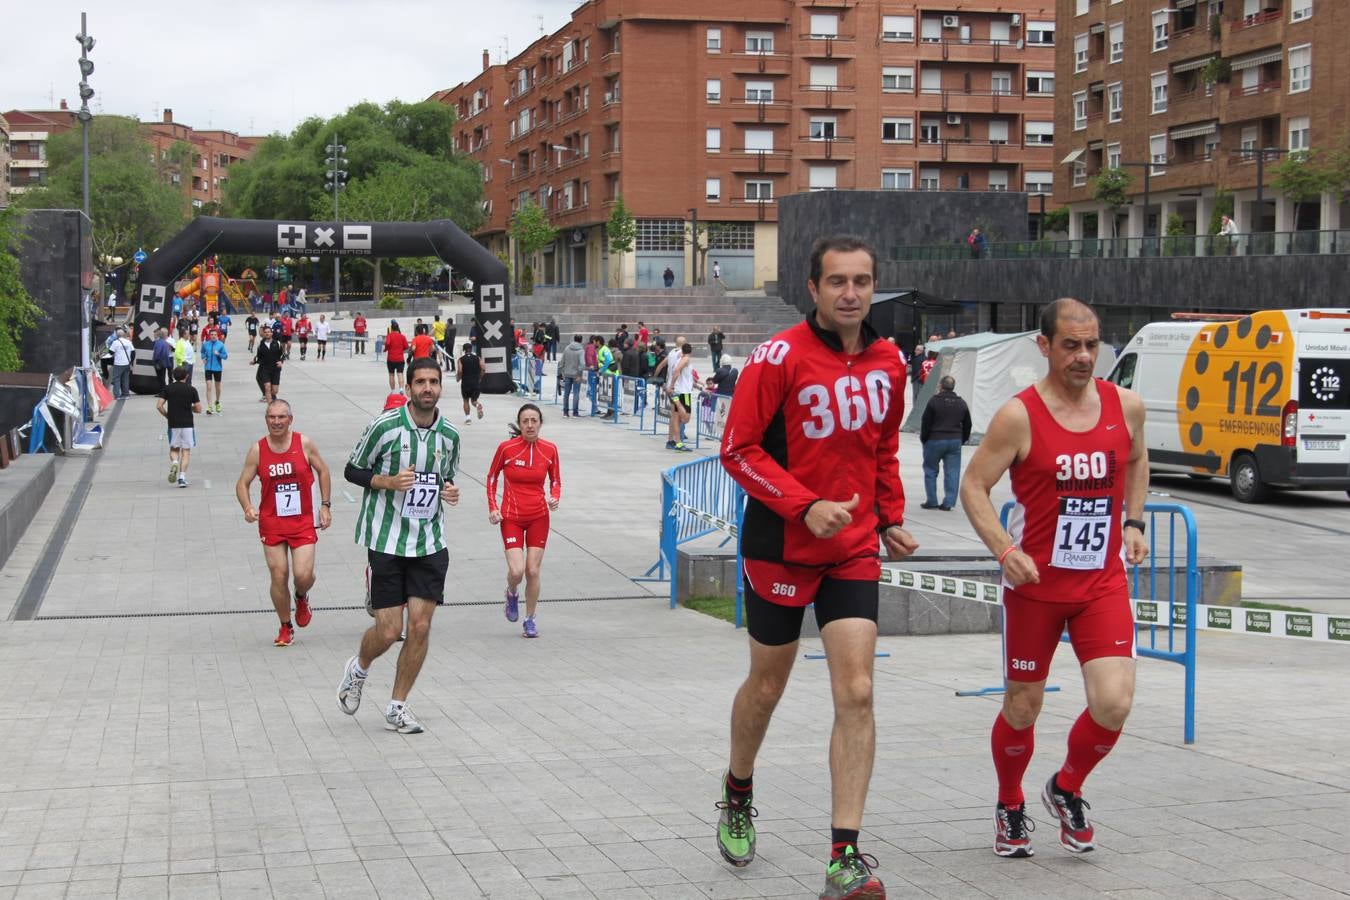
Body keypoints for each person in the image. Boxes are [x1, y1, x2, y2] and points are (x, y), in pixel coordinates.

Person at [714, 235, 917, 899]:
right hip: (780, 546)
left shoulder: (891, 360)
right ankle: (738, 789)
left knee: (856, 691)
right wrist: (804, 508)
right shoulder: (778, 357)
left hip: (851, 548)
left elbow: (882, 445)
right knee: (767, 688)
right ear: (814, 289)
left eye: (862, 281)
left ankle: (843, 857)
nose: (851, 293)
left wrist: (887, 516)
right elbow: (737, 451)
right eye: (838, 282)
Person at [959, 297, 1148, 860]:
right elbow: (973, 486)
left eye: (1092, 345)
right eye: (1071, 345)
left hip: (1100, 584)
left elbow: (1136, 460)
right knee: (1023, 705)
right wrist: (1004, 549)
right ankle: (1010, 802)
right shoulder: (1019, 415)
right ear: (1044, 347)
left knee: (1114, 702)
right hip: (1035, 585)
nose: (1084, 356)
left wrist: (1133, 521)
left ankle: (1066, 787)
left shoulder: (1126, 406)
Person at [337, 357, 462, 735]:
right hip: (387, 540)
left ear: (441, 386)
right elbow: (352, 470)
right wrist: (387, 482)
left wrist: (449, 491)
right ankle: (358, 668)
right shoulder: (385, 427)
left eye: (434, 382)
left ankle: (397, 706)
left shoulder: (451, 436)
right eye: (421, 382)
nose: (428, 388)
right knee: (389, 632)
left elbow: (445, 478)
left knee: (420, 627)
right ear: (408, 387)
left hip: (429, 542)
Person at [235, 399, 334, 647]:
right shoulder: (258, 450)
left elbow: (323, 470)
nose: (276, 422)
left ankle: (301, 596)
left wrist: (325, 505)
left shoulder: (304, 443)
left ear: (290, 419)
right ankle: (285, 626)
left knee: (303, 574)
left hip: (302, 520)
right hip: (272, 522)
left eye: (281, 417)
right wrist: (247, 507)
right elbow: (242, 482)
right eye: (272, 417)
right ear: (266, 420)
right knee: (278, 575)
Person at [486, 403, 561, 639]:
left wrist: (555, 496)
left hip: (539, 516)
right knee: (517, 571)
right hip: (512, 517)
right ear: (519, 425)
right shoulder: (506, 449)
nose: (530, 425)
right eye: (525, 421)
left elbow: (556, 480)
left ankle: (529, 619)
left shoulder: (549, 450)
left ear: (540, 423)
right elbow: (491, 477)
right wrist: (493, 508)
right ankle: (511, 592)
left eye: (534, 420)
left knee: (532, 570)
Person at [919, 375, 972, 510]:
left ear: (941, 386)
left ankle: (931, 500)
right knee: (952, 472)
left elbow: (926, 422)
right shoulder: (962, 403)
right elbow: (968, 424)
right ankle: (948, 502)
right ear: (953, 387)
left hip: (935, 439)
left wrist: (924, 439)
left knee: (930, 470)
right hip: (955, 440)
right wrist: (962, 439)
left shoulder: (934, 401)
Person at [156, 366, 202, 488]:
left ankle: (175, 462)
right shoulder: (191, 389)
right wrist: (189, 408)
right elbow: (199, 409)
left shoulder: (168, 388)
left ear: (173, 376)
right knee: (186, 451)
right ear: (186, 376)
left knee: (174, 449)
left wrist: (167, 415)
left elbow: (159, 405)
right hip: (187, 424)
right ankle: (182, 477)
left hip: (173, 424)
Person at [663, 341, 694, 451]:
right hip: (684, 392)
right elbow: (676, 371)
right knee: (686, 418)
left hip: (680, 389)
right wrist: (671, 386)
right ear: (690, 351)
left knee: (676, 418)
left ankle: (678, 443)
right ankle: (676, 401)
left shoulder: (679, 359)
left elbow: (685, 376)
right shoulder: (685, 359)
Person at [252, 324, 284, 402]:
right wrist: (254, 361)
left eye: (269, 332)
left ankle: (272, 397)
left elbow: (282, 354)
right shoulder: (261, 345)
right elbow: (258, 356)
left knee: (275, 391)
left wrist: (281, 362)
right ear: (263, 334)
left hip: (275, 369)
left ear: (271, 333)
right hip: (265, 369)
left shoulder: (277, 343)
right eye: (265, 332)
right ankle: (270, 406)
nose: (267, 333)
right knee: (267, 387)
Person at [200, 330, 228, 415]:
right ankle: (209, 406)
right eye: (211, 334)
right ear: (209, 335)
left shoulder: (221, 345)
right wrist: (204, 358)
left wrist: (218, 354)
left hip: (217, 369)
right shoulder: (205, 344)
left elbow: (225, 356)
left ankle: (217, 402)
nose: (213, 336)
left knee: (217, 387)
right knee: (208, 386)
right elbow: (202, 352)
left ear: (217, 336)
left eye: (215, 335)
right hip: (208, 368)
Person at [456, 342, 485, 423]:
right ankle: (477, 405)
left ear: (464, 350)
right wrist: (480, 377)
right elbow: (483, 368)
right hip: (475, 382)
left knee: (465, 400)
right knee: (473, 400)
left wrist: (458, 378)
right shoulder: (478, 358)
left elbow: (460, 370)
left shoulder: (461, 359)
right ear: (471, 349)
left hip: (466, 383)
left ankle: (468, 419)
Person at [559, 334, 585, 418]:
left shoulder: (567, 348)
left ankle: (565, 412)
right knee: (576, 393)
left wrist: (562, 371)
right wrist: (579, 373)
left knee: (566, 393)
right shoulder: (581, 351)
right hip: (576, 375)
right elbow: (582, 364)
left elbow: (562, 361)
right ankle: (575, 412)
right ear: (581, 340)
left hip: (567, 373)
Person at [107, 328, 135, 399]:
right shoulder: (128, 342)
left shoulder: (115, 342)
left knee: (116, 379)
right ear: (123, 334)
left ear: (117, 335)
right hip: (127, 364)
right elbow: (133, 352)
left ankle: (117, 395)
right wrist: (131, 361)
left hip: (118, 364)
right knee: (125, 379)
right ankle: (126, 394)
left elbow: (110, 352)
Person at [384, 321, 409, 391]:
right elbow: (407, 347)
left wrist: (386, 349)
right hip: (400, 359)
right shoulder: (402, 336)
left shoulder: (389, 336)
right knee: (400, 374)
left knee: (391, 375)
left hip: (391, 358)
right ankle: (401, 389)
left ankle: (392, 391)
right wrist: (401, 350)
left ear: (391, 329)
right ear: (398, 328)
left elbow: (387, 343)